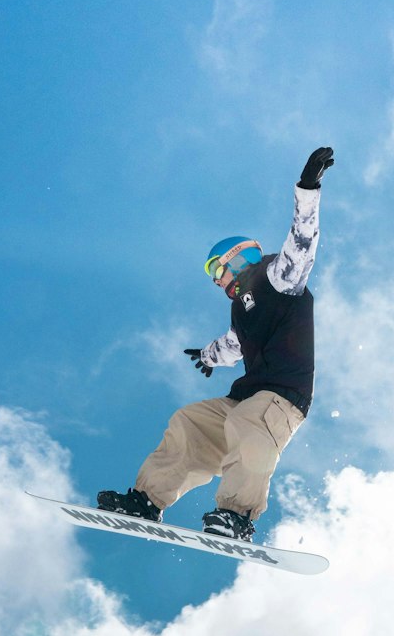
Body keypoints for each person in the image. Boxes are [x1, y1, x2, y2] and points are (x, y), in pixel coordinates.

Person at [98, 147, 333, 542]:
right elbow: (233, 344)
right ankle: (147, 500)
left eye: (215, 269)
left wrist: (308, 188)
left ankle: (237, 516)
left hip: (282, 398)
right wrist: (209, 356)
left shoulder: (278, 277)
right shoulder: (242, 309)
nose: (214, 280)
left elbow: (302, 242)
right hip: (248, 398)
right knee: (189, 421)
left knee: (248, 424)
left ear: (236, 259)